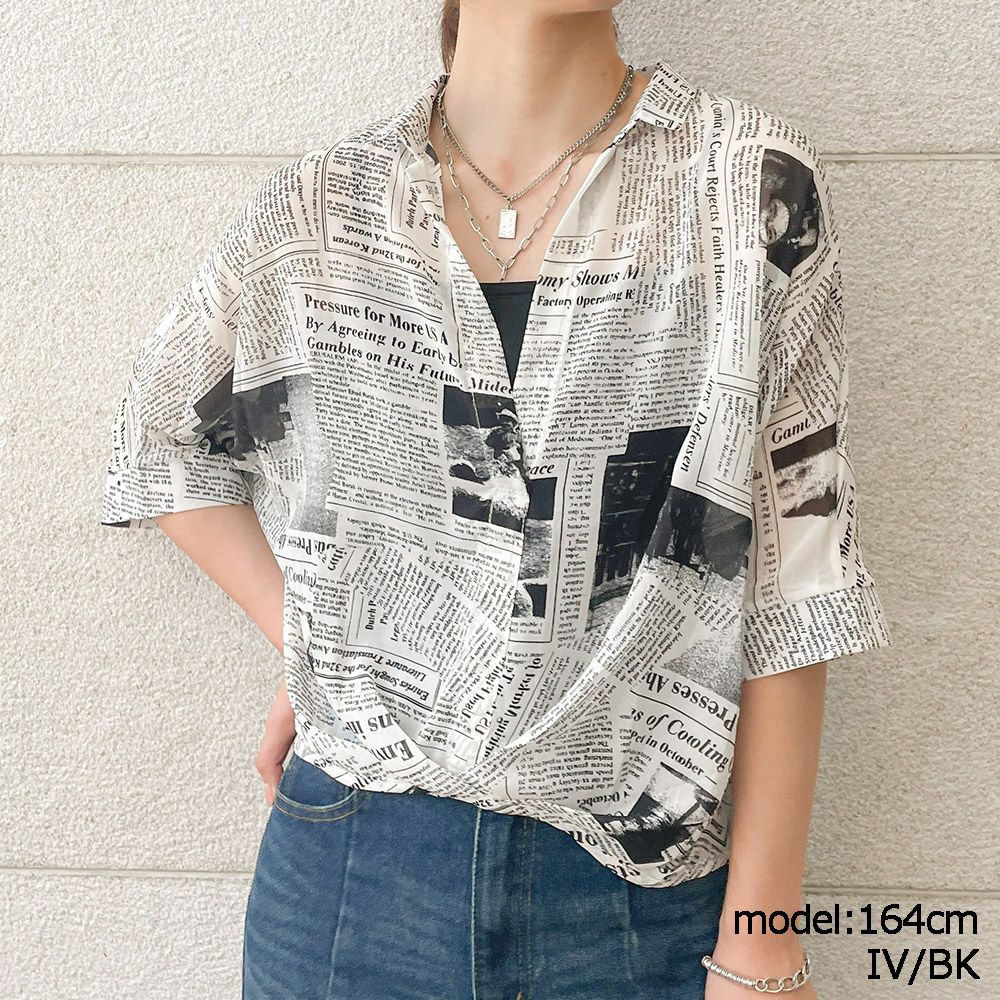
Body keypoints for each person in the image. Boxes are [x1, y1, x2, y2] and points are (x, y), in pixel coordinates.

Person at [98, 2, 893, 998]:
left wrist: (763, 942)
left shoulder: (751, 181)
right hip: (352, 873)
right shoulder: (319, 204)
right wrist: (322, 637)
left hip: (631, 900)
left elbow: (796, 574)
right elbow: (161, 443)